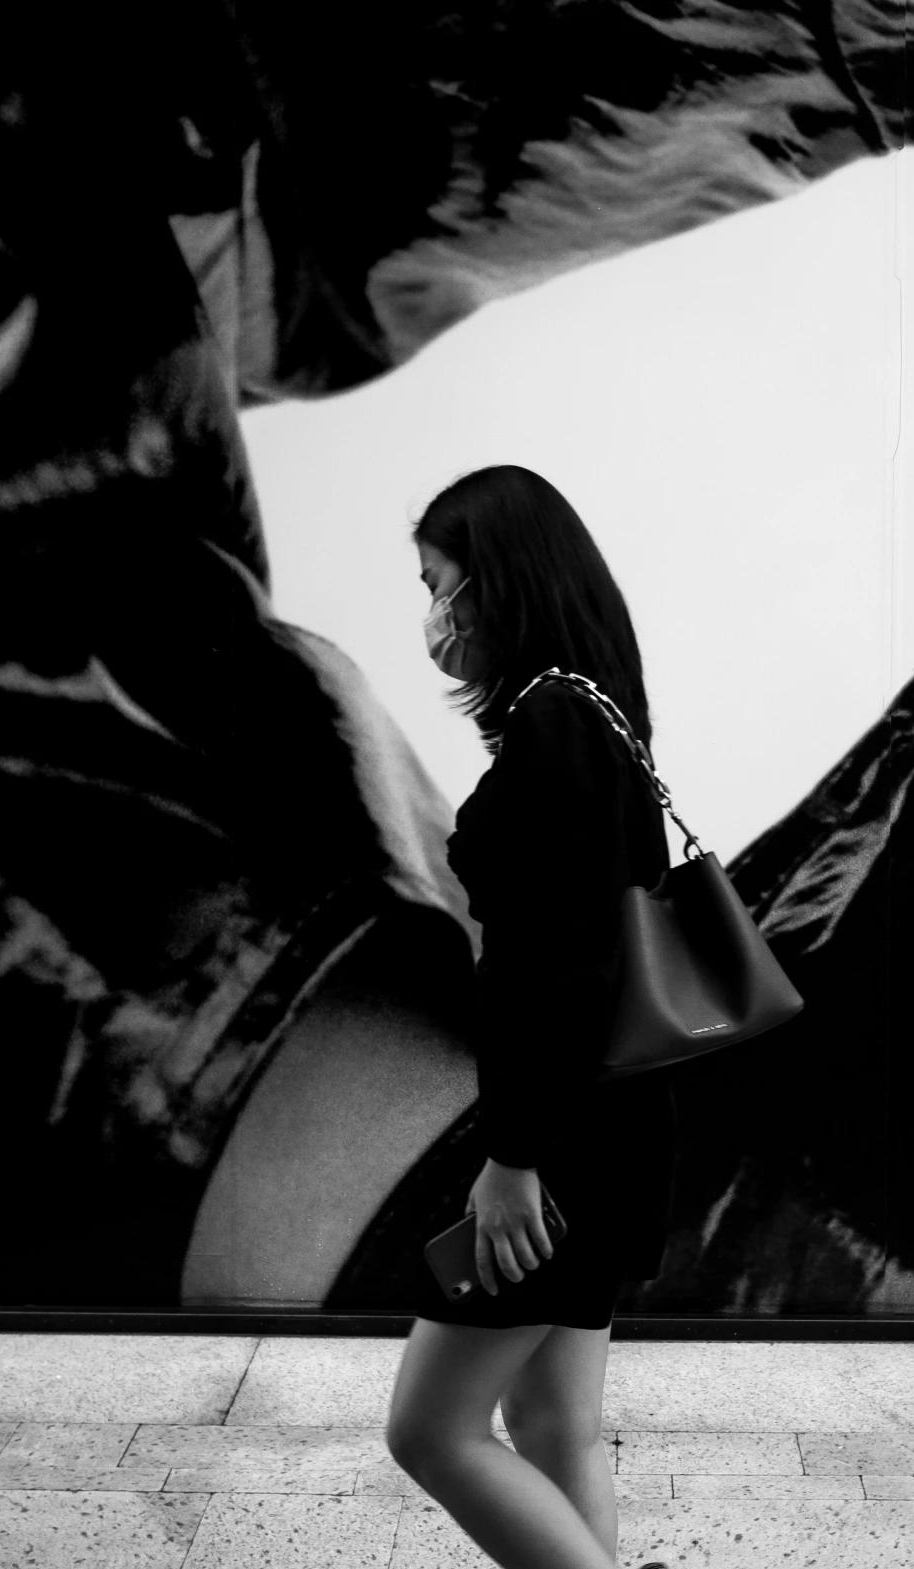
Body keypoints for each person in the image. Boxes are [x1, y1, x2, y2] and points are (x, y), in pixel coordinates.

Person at [382, 466, 676, 1569]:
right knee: (553, 1425)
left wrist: (511, 1159)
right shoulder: (594, 709)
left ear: (497, 584)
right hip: (617, 1129)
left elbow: (549, 977)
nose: (433, 614)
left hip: (558, 1149)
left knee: (430, 1430)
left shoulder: (555, 728)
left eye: (439, 584)